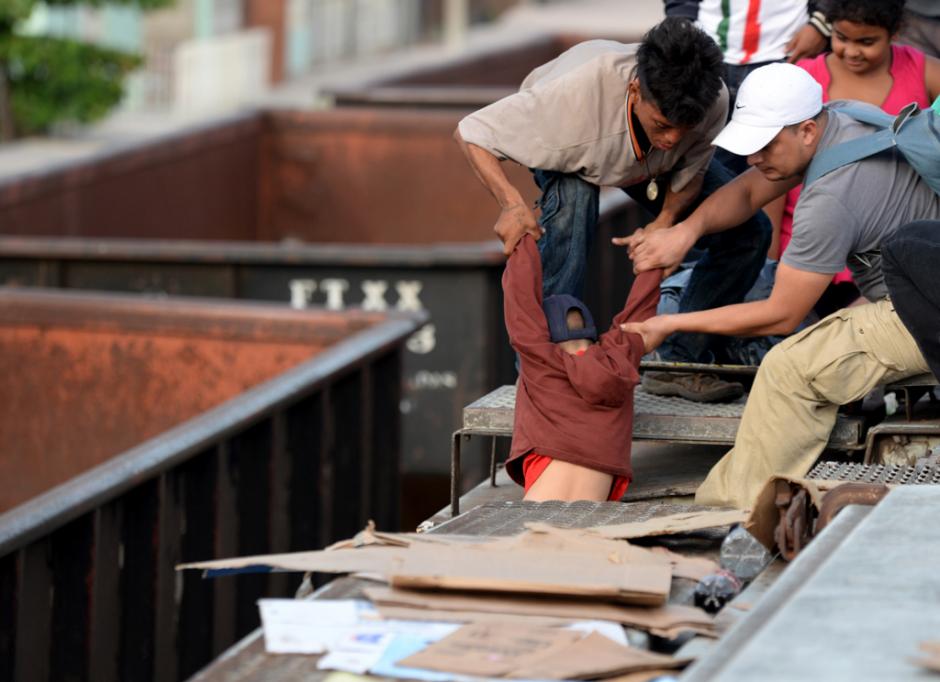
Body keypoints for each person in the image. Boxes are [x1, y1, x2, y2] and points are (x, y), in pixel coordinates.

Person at [622, 62, 939, 509]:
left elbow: (781, 313)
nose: (754, 159)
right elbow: (749, 192)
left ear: (806, 131)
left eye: (764, 145)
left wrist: (671, 325)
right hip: (926, 276)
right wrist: (685, 232)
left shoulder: (829, 198)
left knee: (789, 369)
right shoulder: (845, 118)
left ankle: (732, 510)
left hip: (924, 306)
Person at [455, 17, 771, 403]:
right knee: (573, 206)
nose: (672, 138)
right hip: (575, 146)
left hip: (649, 166)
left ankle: (682, 358)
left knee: (750, 232)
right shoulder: (568, 97)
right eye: (663, 124)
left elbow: (691, 171)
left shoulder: (712, 100)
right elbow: (472, 131)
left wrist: (665, 223)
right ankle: (549, 373)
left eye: (682, 130)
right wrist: (511, 204)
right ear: (636, 90)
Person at [768, 0, 940, 287]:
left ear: (895, 32)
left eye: (867, 42)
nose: (851, 52)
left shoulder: (924, 72)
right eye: (841, 38)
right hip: (805, 249)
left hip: (894, 257)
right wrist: (769, 262)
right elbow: (772, 180)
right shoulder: (804, 78)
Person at [502, 234, 661, 501]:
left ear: (547, 336)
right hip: (590, 522)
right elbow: (639, 317)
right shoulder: (619, 359)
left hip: (535, 523)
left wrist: (523, 240)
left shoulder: (541, 361)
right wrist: (653, 263)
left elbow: (519, 300)